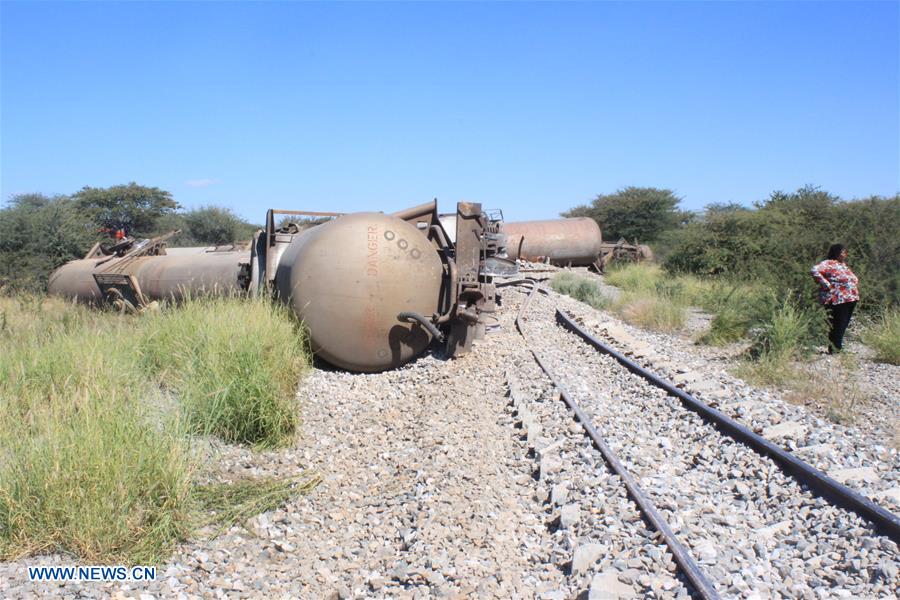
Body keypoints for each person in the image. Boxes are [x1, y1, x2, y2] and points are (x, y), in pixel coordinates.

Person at [810, 244, 859, 353]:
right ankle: (835, 349)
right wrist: (826, 284)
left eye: (845, 252)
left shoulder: (843, 265)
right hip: (837, 298)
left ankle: (836, 347)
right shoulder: (827, 263)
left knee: (844, 323)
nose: (844, 254)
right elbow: (814, 270)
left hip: (850, 298)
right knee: (838, 323)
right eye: (842, 252)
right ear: (836, 252)